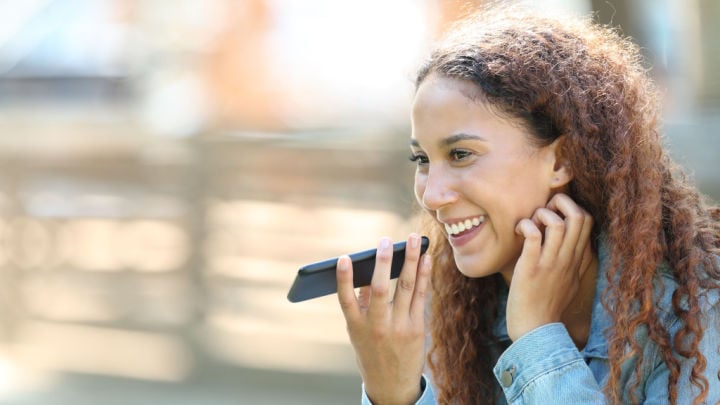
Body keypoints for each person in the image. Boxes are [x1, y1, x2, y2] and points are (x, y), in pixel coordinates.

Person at [334, 4, 720, 405]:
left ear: (562, 160)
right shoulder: (454, 313)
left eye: (461, 154)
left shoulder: (697, 314)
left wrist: (537, 339)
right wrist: (394, 394)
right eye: (422, 160)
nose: (431, 195)